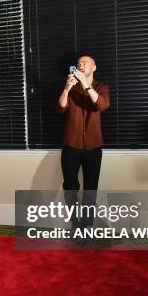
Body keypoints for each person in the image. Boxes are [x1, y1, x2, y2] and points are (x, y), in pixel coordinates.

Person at [57, 55, 110, 227]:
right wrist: (66, 88)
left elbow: (101, 105)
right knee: (70, 187)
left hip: (94, 148)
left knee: (90, 189)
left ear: (94, 67)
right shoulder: (71, 88)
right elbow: (60, 107)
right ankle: (75, 222)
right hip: (70, 146)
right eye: (79, 63)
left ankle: (86, 225)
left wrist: (85, 84)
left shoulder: (102, 87)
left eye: (85, 63)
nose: (81, 65)